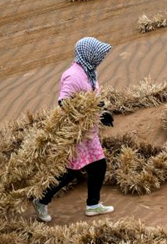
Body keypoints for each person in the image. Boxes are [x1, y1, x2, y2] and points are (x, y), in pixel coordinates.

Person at [32, 37, 116, 222]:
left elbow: (91, 99)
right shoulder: (73, 75)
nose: (101, 58)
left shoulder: (89, 72)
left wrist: (102, 113)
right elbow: (64, 102)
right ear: (88, 55)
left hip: (89, 132)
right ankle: (41, 200)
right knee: (71, 170)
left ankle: (93, 205)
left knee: (99, 166)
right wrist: (88, 112)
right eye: (98, 54)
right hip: (76, 134)